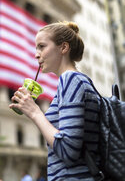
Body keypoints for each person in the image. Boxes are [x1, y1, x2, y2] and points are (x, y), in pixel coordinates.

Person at [9, 21, 100, 181]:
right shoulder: (78, 80)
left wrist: (35, 112)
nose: (36, 54)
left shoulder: (70, 80)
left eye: (42, 46)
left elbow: (68, 150)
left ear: (63, 48)